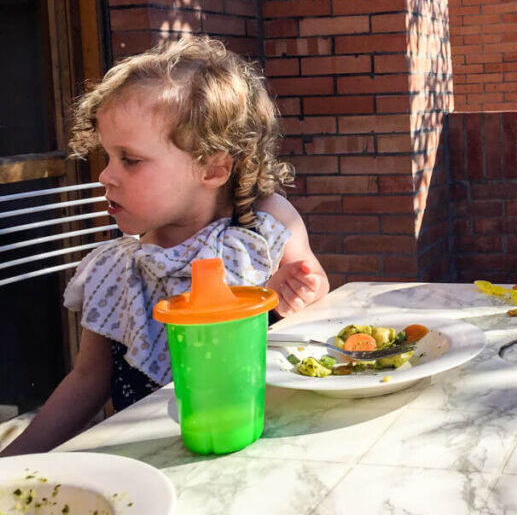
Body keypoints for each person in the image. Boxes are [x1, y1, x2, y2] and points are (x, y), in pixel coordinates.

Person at [1, 36, 328, 456]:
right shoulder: (117, 269)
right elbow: (86, 381)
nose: (105, 176)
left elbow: (316, 295)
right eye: (107, 157)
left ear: (212, 168)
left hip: (263, 445)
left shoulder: (262, 225)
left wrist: (297, 289)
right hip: (148, 463)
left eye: (129, 160)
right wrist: (13, 462)